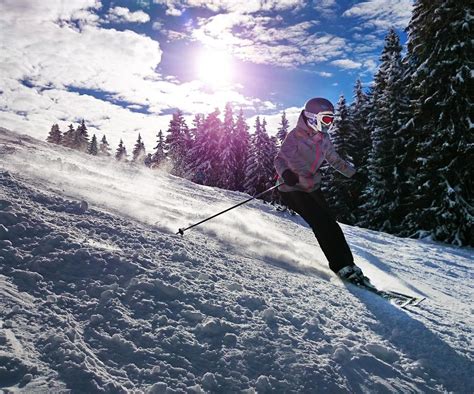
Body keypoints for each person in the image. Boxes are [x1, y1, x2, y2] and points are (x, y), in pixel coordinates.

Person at [274, 97, 366, 284]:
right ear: (312, 117)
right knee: (321, 222)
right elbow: (279, 160)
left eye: (331, 120)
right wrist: (286, 173)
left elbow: (334, 160)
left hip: (311, 186)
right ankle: (340, 266)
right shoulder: (295, 135)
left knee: (331, 223)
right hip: (292, 187)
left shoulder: (324, 139)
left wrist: (353, 174)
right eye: (326, 119)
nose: (329, 124)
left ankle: (350, 264)